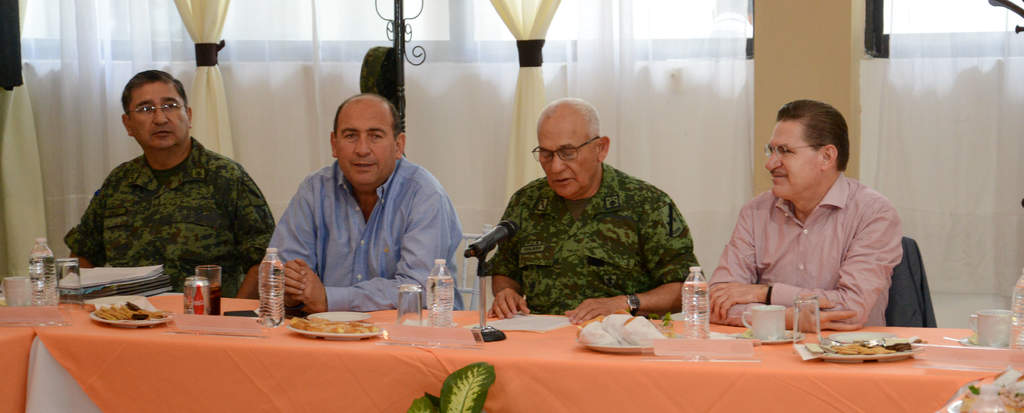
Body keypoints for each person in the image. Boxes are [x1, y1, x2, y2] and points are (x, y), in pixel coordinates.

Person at [486, 98, 699, 324]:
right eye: (546, 154)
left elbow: (686, 288)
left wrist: (626, 303)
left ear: (601, 148)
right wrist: (506, 292)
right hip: (543, 336)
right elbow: (505, 270)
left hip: (621, 338)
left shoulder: (647, 204)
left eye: (567, 152)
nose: (555, 167)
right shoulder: (526, 202)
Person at [64, 70, 275, 298]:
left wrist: (234, 314)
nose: (160, 119)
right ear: (128, 124)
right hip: (130, 315)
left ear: (189, 115)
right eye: (145, 109)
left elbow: (264, 260)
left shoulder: (226, 176)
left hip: (206, 316)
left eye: (170, 106)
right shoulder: (119, 183)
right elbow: (83, 255)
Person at [709, 99, 902, 329]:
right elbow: (715, 302)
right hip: (770, 349)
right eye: (771, 150)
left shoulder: (874, 214)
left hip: (847, 350)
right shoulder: (755, 212)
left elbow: (851, 309)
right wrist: (787, 319)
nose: (770, 164)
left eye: (785, 151)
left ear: (826, 157)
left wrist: (766, 294)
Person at [270, 93, 463, 313]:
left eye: (375, 136)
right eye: (351, 136)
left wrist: (329, 298)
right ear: (334, 144)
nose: (362, 149)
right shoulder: (314, 190)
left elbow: (419, 289)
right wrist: (291, 290)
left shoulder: (425, 195)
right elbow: (280, 272)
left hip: (412, 332)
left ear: (398, 145)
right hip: (327, 329)